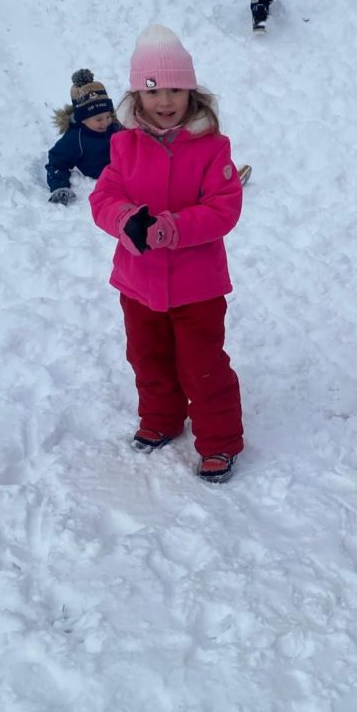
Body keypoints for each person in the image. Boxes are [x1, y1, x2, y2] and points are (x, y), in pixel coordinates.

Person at [89, 25, 244, 484]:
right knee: (147, 357)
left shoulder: (212, 147)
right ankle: (161, 418)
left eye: (175, 89)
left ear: (190, 91)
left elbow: (223, 209)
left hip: (198, 287)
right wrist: (125, 220)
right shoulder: (124, 145)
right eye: (153, 90)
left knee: (202, 366)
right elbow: (103, 198)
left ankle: (219, 441)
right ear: (137, 95)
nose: (165, 101)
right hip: (138, 283)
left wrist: (170, 229)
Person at [45, 69, 121, 204]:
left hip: (124, 171)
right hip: (103, 179)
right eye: (99, 119)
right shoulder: (75, 137)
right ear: (83, 119)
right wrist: (59, 186)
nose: (105, 122)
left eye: (108, 116)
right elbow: (57, 162)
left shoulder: (114, 126)